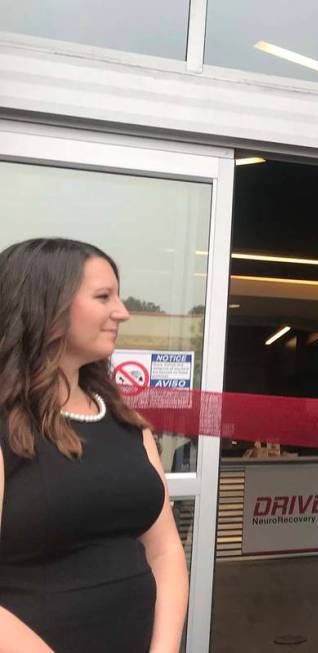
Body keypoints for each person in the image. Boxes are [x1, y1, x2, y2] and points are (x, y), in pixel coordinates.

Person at [0, 238, 189, 652]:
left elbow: (165, 549)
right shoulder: (6, 426)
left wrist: (164, 649)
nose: (122, 311)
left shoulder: (126, 422)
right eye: (104, 297)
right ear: (45, 306)